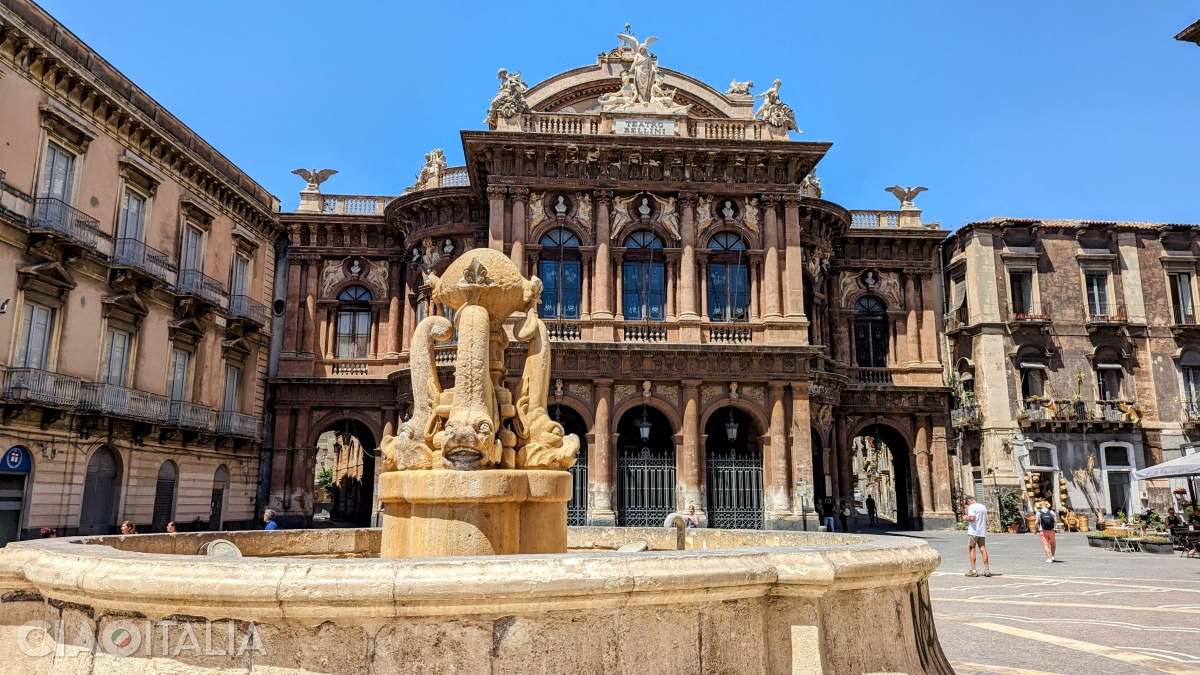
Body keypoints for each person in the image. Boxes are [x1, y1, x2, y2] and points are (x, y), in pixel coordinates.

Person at [964, 495, 991, 577]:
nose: (967, 505)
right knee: (983, 549)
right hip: (981, 531)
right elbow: (987, 520)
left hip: (973, 531)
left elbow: (972, 518)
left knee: (972, 549)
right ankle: (987, 570)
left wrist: (966, 518)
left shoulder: (971, 507)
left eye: (967, 503)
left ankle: (974, 570)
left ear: (968, 501)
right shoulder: (983, 507)